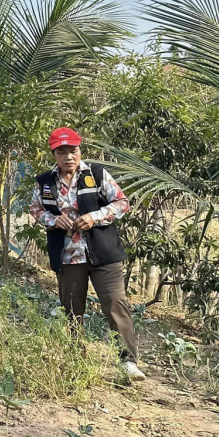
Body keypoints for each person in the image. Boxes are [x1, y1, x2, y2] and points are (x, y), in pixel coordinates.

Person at [31, 128, 145, 381]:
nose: (68, 157)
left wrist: (95, 217)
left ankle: (128, 363)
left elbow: (121, 203)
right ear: (54, 155)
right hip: (68, 256)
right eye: (62, 152)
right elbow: (36, 209)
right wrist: (52, 220)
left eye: (73, 151)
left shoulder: (96, 174)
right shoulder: (44, 182)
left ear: (80, 151)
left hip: (103, 253)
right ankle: (75, 360)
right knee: (72, 308)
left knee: (116, 304)